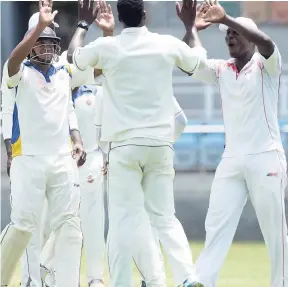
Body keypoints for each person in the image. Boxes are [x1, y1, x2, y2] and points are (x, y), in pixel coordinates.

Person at [68, 0, 207, 286]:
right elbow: (197, 61)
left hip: (124, 147)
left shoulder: (109, 48)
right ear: (145, 15)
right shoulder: (165, 44)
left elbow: (73, 58)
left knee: (122, 222)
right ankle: (187, 276)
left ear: (119, 18)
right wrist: (190, 26)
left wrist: (84, 23)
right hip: (159, 144)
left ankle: (121, 283)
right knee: (165, 218)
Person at [180, 1, 288, 286]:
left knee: (275, 232)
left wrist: (226, 17)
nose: (229, 36)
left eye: (235, 33)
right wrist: (189, 27)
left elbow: (267, 43)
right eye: (226, 33)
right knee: (216, 223)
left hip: (266, 157)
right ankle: (203, 279)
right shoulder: (222, 69)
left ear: (249, 38)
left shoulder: (267, 66)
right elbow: (193, 61)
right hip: (232, 160)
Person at [0, 0, 86, 286]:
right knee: (25, 227)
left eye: (52, 41)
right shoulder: (17, 71)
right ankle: (27, 281)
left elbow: (69, 110)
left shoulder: (62, 71)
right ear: (30, 41)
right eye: (42, 41)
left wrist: (76, 138)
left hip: (61, 158)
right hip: (28, 158)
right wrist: (38, 26)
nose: (49, 47)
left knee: (69, 225)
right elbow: (13, 60)